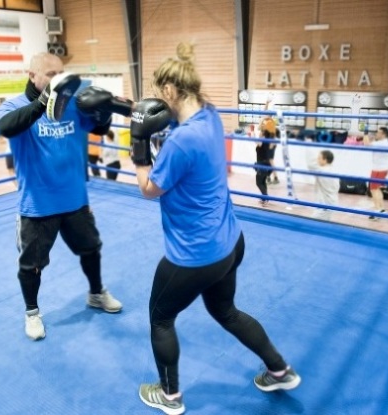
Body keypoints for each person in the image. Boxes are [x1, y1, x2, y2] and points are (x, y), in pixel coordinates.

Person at [130, 42, 300, 415]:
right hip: (230, 242)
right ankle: (279, 370)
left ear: (171, 91)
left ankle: (170, 396)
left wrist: (138, 143)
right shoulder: (209, 116)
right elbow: (171, 118)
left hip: (194, 255)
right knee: (226, 311)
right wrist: (132, 109)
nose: (160, 99)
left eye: (161, 93)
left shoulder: (179, 143)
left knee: (161, 318)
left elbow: (148, 189)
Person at [0, 52, 128, 341]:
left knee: (91, 249)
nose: (58, 79)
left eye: (61, 73)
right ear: (32, 75)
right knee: (31, 266)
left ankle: (96, 294)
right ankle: (32, 313)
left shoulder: (72, 102)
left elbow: (100, 127)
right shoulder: (15, 105)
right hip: (38, 205)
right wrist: (44, 102)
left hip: (75, 200)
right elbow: (5, 127)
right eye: (51, 74)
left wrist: (104, 110)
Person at [363, 127, 388, 220]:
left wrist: (365, 133)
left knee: (373, 190)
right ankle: (382, 209)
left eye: (378, 132)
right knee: (377, 189)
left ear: (383, 134)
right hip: (382, 169)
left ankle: (377, 211)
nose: (376, 134)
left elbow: (366, 144)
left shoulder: (381, 143)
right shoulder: (385, 142)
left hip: (378, 169)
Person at [306, 144, 340, 221]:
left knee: (312, 223)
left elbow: (310, 164)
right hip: (330, 202)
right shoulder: (333, 170)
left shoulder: (323, 171)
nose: (317, 160)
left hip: (325, 204)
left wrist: (308, 144)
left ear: (325, 160)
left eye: (319, 158)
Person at [255, 129, 276, 207]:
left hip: (262, 164)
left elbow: (258, 143)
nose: (259, 133)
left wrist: (253, 134)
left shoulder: (262, 141)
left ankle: (266, 198)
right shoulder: (267, 141)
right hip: (266, 164)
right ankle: (264, 198)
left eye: (261, 132)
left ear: (263, 134)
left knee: (258, 182)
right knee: (262, 182)